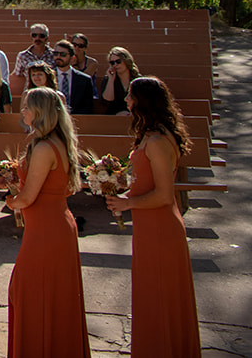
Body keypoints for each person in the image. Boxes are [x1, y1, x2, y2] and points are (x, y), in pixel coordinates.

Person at [104, 77, 200, 357]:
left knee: (159, 297)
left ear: (142, 101)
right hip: (149, 227)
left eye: (130, 96)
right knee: (151, 297)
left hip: (160, 229)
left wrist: (127, 204)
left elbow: (163, 195)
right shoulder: (150, 133)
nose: (126, 101)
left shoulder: (158, 140)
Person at [2, 87, 89, 358]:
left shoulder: (43, 147)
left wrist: (10, 200)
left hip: (47, 232)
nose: (23, 111)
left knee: (30, 294)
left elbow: (28, 197)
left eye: (27, 107)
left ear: (40, 112)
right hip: (52, 225)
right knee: (48, 297)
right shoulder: (56, 142)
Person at [50, 40, 96, 114]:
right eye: (56, 54)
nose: (58, 57)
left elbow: (87, 107)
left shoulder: (84, 80)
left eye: (63, 54)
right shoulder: (47, 76)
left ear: (72, 58)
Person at [96, 47, 139, 115]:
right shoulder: (108, 79)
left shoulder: (137, 79)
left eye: (118, 61)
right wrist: (111, 79)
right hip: (114, 115)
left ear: (126, 60)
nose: (115, 65)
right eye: (112, 63)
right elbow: (108, 100)